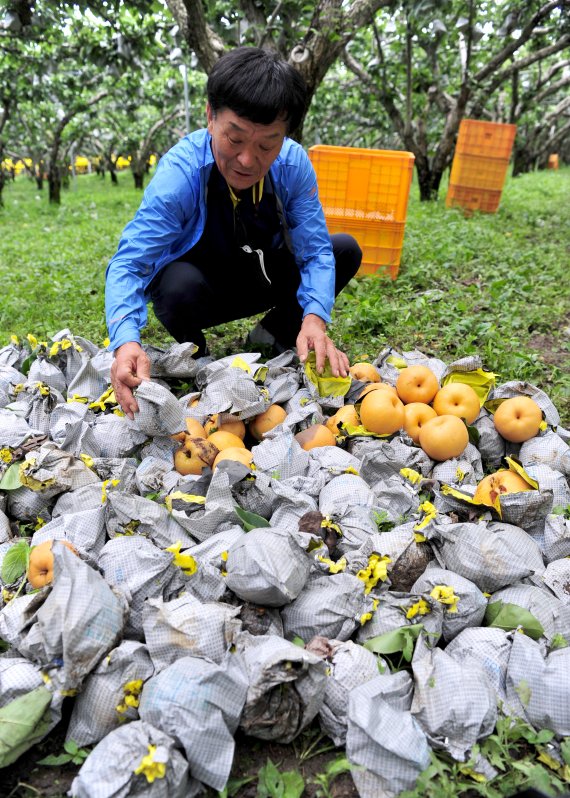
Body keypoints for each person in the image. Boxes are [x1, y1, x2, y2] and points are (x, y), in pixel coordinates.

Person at [106, 46, 362, 418]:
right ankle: (194, 353)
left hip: (259, 273)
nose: (247, 159)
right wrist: (125, 342)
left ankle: (273, 334)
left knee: (342, 251)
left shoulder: (293, 165)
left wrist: (315, 319)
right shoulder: (180, 175)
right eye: (235, 138)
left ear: (285, 135)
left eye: (267, 144)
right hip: (201, 288)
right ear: (210, 117)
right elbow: (129, 264)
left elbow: (315, 252)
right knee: (175, 284)